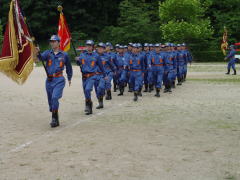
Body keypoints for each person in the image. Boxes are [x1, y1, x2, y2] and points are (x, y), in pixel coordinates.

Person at [36, 35, 73, 128]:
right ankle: (54, 114)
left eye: (54, 41)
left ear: (58, 42)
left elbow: (69, 67)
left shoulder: (64, 54)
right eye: (51, 41)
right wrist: (36, 52)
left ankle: (54, 119)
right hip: (49, 80)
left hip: (59, 79)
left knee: (54, 98)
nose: (52, 43)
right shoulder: (47, 53)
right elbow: (38, 59)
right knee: (51, 103)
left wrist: (69, 77)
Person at [75, 40, 105, 115]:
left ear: (93, 47)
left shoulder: (96, 56)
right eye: (87, 45)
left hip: (92, 76)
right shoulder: (82, 55)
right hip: (84, 77)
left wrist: (105, 75)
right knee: (86, 92)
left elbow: (101, 66)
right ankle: (89, 105)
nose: (88, 47)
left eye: (90, 46)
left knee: (88, 89)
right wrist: (77, 61)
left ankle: (88, 106)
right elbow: (79, 64)